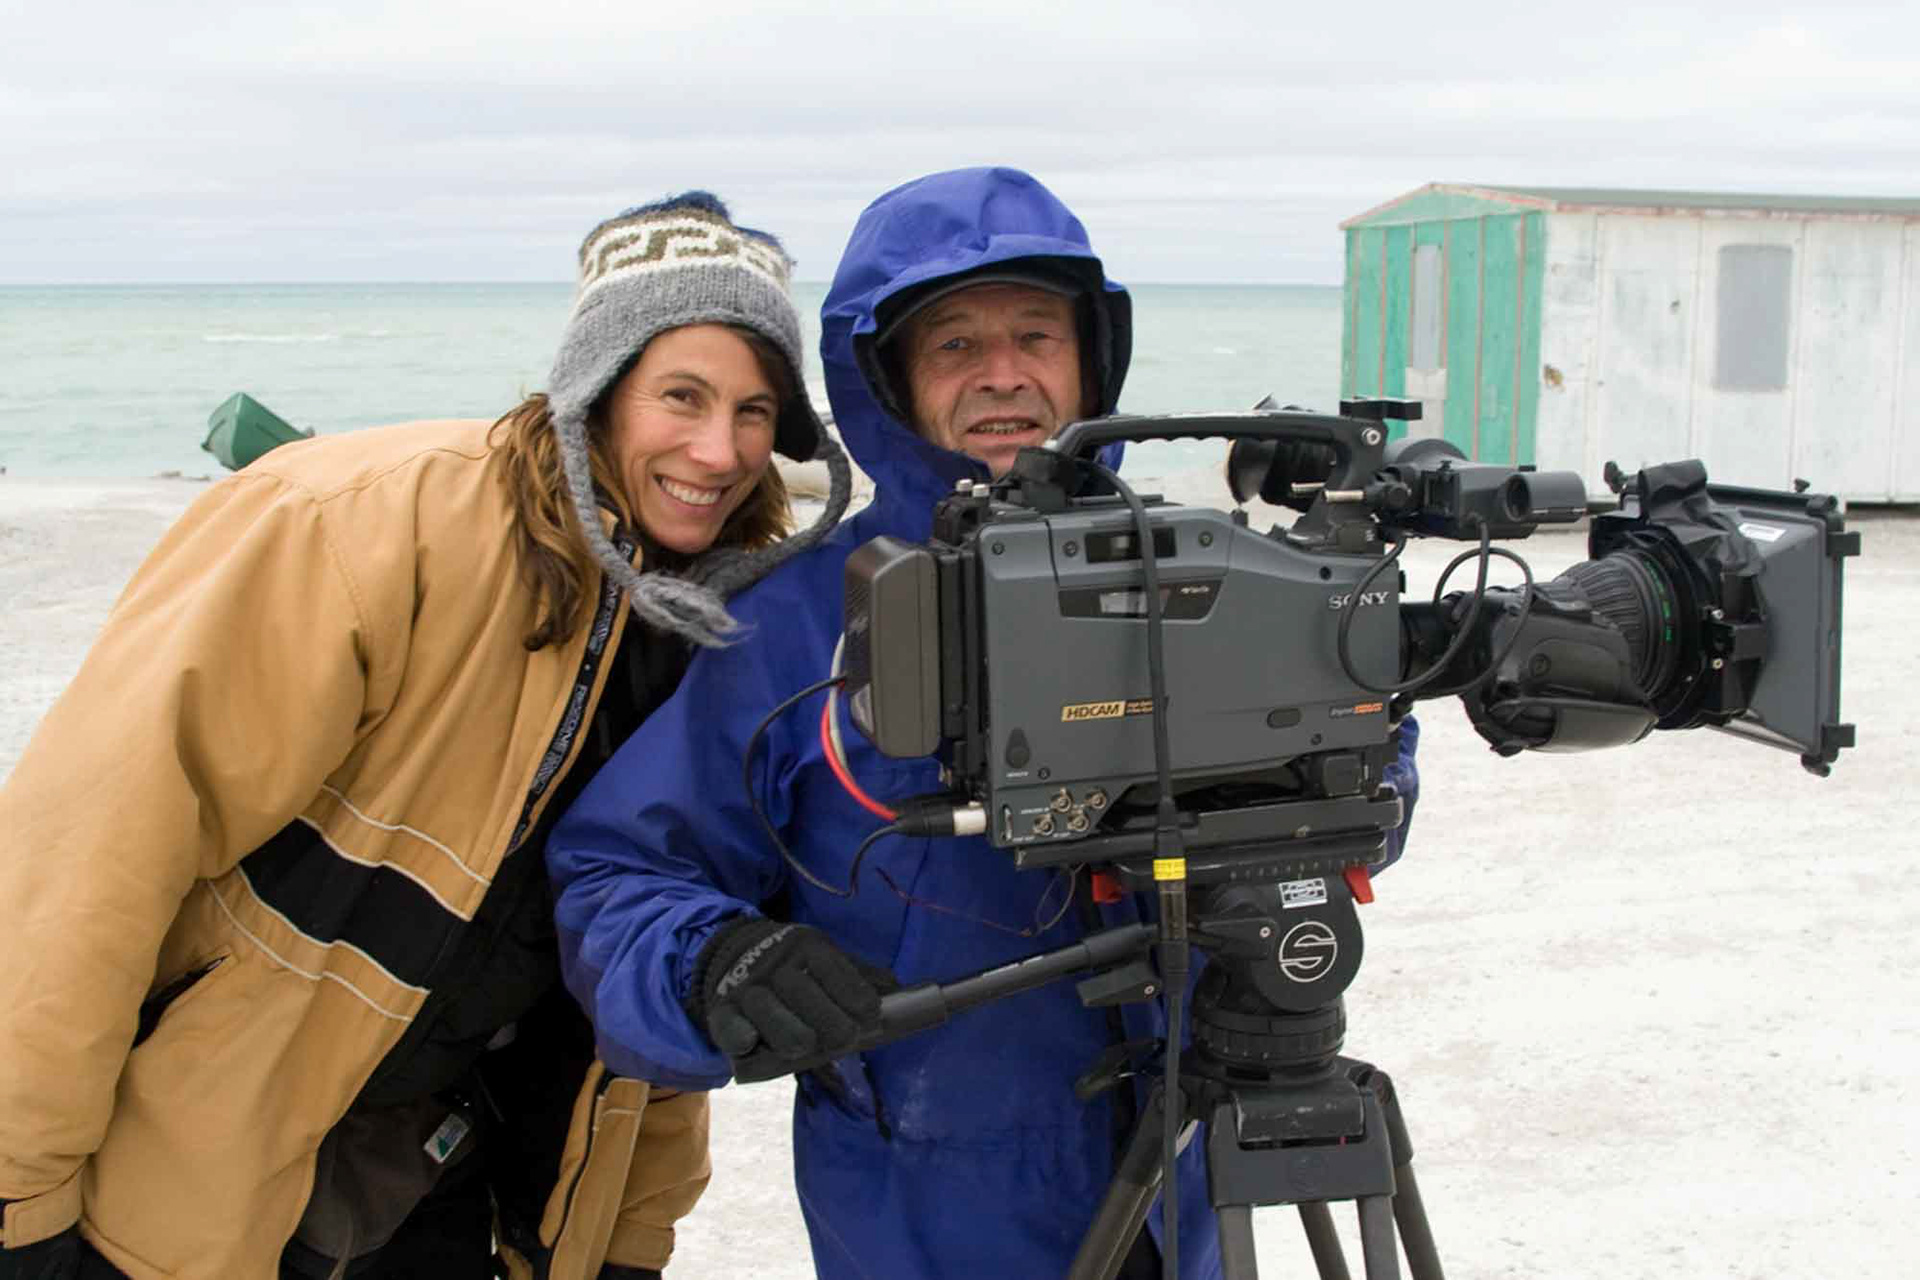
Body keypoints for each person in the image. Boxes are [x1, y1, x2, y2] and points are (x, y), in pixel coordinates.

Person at [547, 167, 1420, 1278]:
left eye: (1034, 335)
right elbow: (615, 869)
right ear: (890, 380)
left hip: (1198, 1165)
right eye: (954, 344)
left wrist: (1351, 763)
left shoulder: (1204, 572)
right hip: (924, 1197)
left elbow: (1366, 809)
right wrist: (716, 959)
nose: (1002, 373)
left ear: (1090, 358)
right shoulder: (792, 623)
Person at [0, 192, 852, 1280]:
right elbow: (85, 858)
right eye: (680, 395)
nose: (719, 448)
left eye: (753, 410)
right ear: (596, 386)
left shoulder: (709, 622)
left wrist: (625, 1234)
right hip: (200, 1169)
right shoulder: (353, 526)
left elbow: (650, 936)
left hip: (449, 1181)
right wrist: (20, 1193)